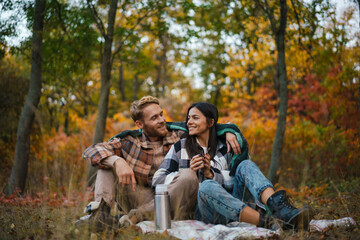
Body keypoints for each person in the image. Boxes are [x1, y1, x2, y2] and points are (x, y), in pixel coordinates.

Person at [77, 96, 244, 232]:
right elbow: (91, 152)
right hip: (141, 197)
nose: (162, 120)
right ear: (140, 125)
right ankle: (100, 216)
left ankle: (135, 218)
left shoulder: (178, 134)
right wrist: (117, 161)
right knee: (106, 164)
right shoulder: (129, 142)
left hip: (176, 201)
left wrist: (229, 132)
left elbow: (208, 124)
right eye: (155, 118)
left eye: (161, 114)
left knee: (188, 175)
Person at [152, 102, 314, 230]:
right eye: (188, 118)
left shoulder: (226, 146)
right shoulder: (180, 147)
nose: (189, 122)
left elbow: (244, 177)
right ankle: (270, 222)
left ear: (210, 122)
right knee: (207, 186)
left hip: (241, 204)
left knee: (245, 164)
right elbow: (157, 180)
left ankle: (280, 208)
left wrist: (211, 173)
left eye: (195, 118)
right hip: (207, 212)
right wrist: (188, 174)